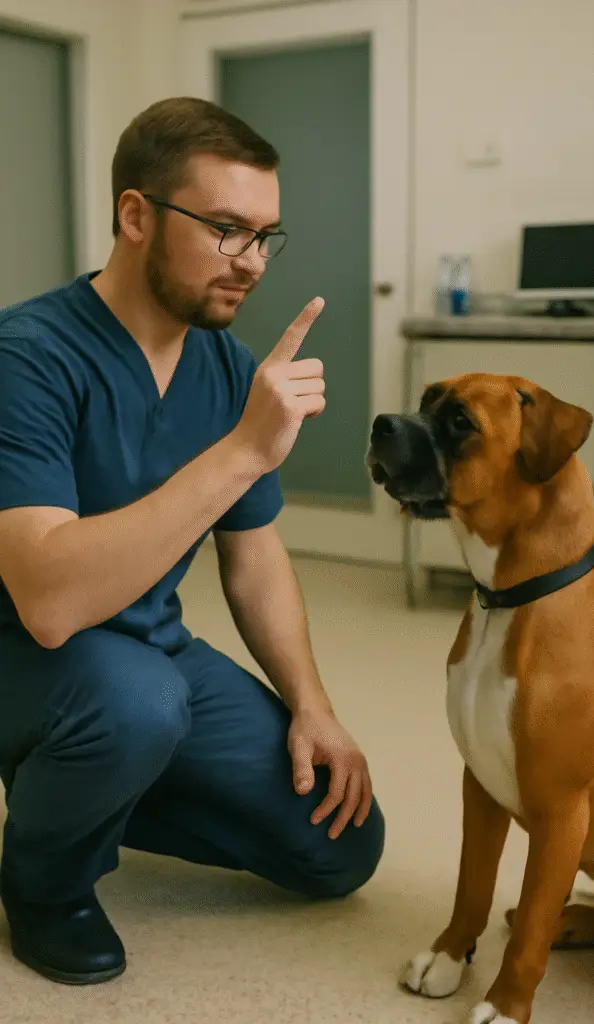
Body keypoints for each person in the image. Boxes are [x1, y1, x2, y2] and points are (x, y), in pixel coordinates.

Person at [0, 96, 384, 986]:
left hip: (147, 650)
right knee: (135, 700)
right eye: (225, 229)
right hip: (22, 649)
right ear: (135, 215)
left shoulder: (223, 369)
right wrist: (243, 451)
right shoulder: (28, 356)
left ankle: (94, 784)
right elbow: (50, 605)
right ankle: (43, 879)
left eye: (263, 236)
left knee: (340, 845)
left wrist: (313, 706)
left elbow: (253, 557)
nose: (250, 263)